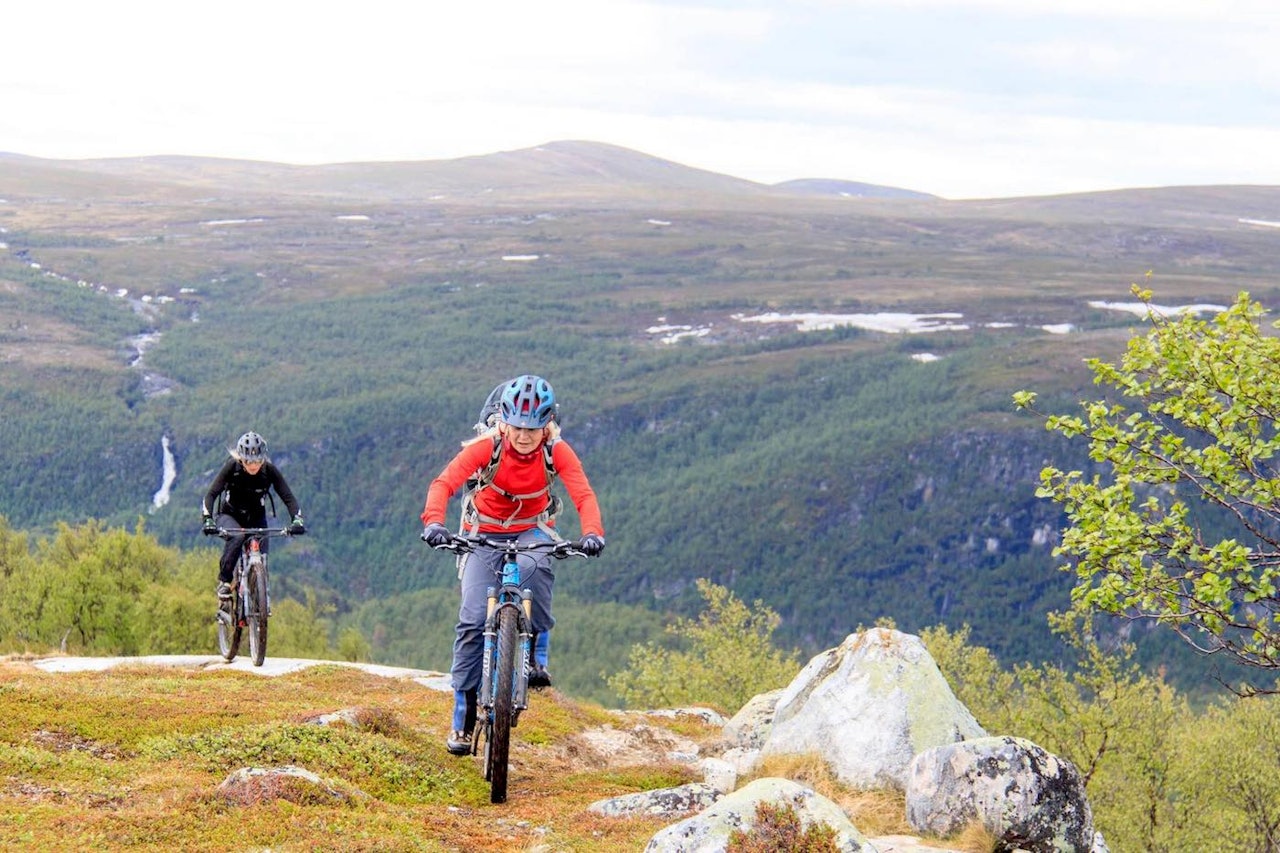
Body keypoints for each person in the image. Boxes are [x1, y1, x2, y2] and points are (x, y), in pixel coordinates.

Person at [421, 374, 605, 756]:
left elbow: (583, 493)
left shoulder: (557, 451)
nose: (524, 435)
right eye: (518, 427)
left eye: (533, 428)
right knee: (472, 618)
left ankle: (537, 654)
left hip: (532, 529)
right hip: (482, 530)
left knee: (538, 572)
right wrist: (434, 522)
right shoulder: (485, 447)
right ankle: (463, 713)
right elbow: (444, 483)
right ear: (504, 420)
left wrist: (592, 532)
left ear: (546, 425)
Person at [202, 431, 305, 599]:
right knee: (238, 536)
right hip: (230, 516)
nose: (253, 465)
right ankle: (225, 582)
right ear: (240, 457)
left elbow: (288, 497)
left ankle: (258, 601)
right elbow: (211, 494)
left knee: (262, 558)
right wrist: (207, 520)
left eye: (257, 460)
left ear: (263, 458)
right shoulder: (232, 468)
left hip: (256, 518)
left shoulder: (269, 471)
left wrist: (297, 520)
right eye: (248, 461)